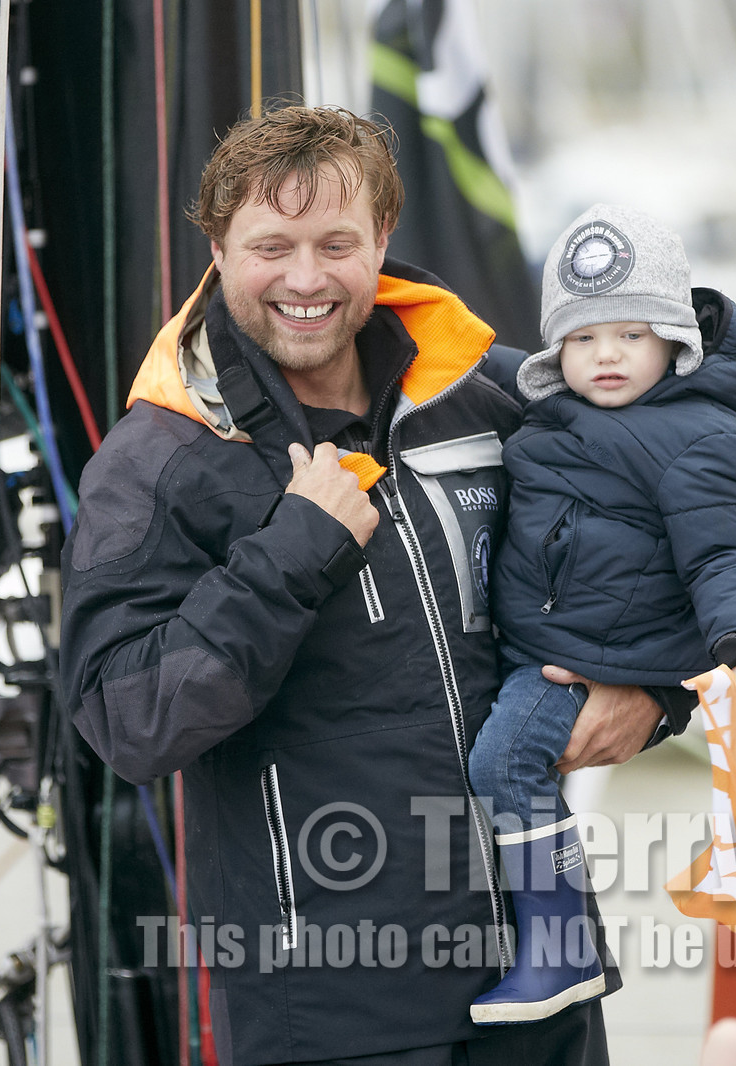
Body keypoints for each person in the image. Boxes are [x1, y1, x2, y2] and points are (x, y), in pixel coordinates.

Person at [59, 106, 671, 1066]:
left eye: (335, 243)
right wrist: (291, 551)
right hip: (334, 1009)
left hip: (541, 967)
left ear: (382, 240)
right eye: (272, 246)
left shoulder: (492, 396)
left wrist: (651, 691)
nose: (306, 279)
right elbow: (125, 719)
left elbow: (665, 524)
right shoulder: (162, 459)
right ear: (217, 248)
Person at [466, 203, 736, 1022]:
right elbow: (475, 355)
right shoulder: (554, 409)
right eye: (582, 338)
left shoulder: (700, 438)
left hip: (586, 658)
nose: (605, 355)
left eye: (631, 336)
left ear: (676, 343)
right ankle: (543, 937)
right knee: (509, 777)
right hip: (538, 637)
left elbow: (727, 551)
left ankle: (561, 950)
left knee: (503, 768)